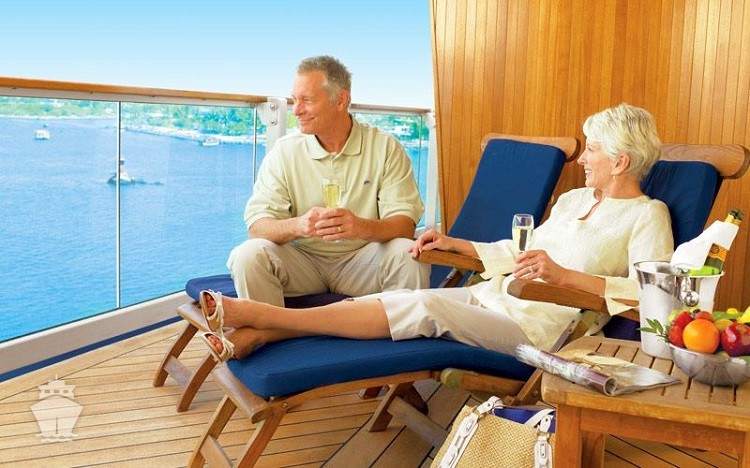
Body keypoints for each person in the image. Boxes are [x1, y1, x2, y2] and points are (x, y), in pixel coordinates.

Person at [203, 103, 674, 361]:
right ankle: (267, 332)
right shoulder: (574, 201)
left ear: (620, 161)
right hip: (494, 297)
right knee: (401, 300)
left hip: (540, 327)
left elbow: (650, 297)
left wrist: (564, 277)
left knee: (425, 306)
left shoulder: (647, 216)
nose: (584, 159)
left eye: (592, 150)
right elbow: (518, 252)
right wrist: (456, 243)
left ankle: (261, 320)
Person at [226, 56, 429, 315]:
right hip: (302, 264)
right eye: (294, 99)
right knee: (248, 254)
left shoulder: (385, 147)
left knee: (408, 253)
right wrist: (298, 225)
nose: (296, 110)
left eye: (307, 100)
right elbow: (258, 227)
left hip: (362, 263)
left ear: (341, 100)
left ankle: (401, 337)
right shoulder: (284, 152)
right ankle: (268, 331)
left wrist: (361, 227)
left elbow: (405, 225)